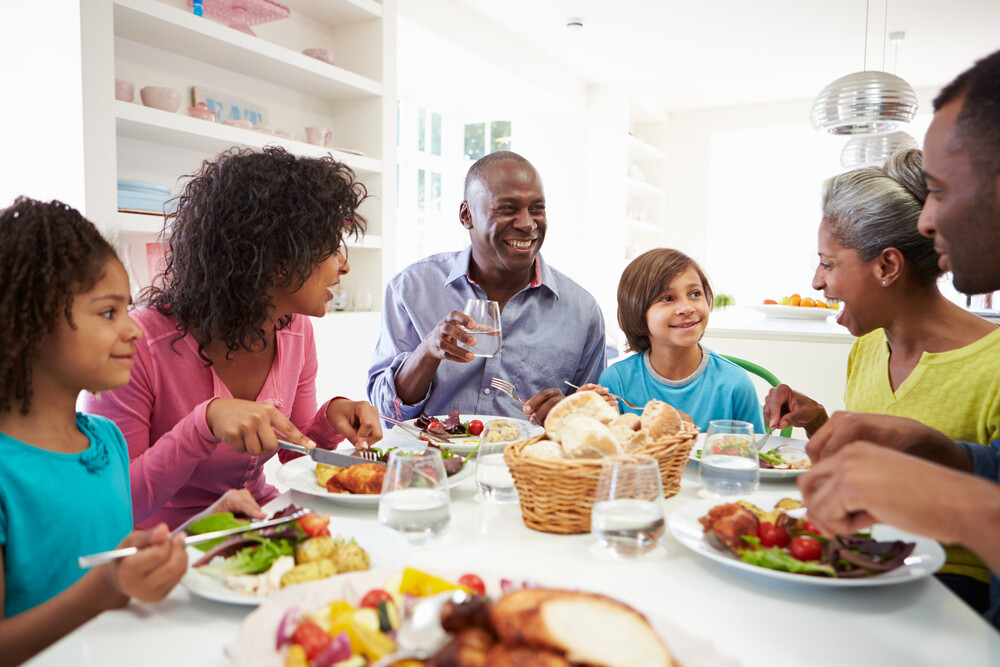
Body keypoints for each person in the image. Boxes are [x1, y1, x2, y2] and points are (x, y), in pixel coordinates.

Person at [798, 48, 1000, 629]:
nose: (928, 221)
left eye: (939, 190)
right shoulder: (866, 348)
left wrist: (947, 489)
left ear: (887, 267)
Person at [85, 147, 383, 531]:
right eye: (329, 248)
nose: (343, 264)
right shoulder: (137, 345)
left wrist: (329, 420)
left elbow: (295, 454)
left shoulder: (295, 330)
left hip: (257, 522)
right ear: (275, 259)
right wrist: (201, 426)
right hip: (165, 546)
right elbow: (113, 504)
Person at [0, 197, 188, 665]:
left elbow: (114, 560)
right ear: (32, 321)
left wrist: (216, 522)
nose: (135, 332)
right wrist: (103, 590)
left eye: (128, 310)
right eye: (108, 314)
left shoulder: (107, 440)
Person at [764, 149, 1000, 444]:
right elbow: (866, 465)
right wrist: (817, 420)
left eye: (828, 263)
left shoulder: (994, 368)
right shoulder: (869, 345)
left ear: (887, 267)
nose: (816, 282)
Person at [367, 151, 608, 426]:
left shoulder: (582, 311)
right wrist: (428, 351)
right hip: (428, 464)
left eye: (537, 209)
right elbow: (384, 412)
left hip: (525, 466)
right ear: (466, 215)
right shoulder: (411, 289)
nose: (527, 224)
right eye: (507, 209)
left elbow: (595, 423)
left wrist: (569, 414)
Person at [599, 248, 764, 432]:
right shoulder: (616, 381)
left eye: (694, 294)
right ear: (636, 311)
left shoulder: (735, 384)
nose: (686, 308)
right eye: (667, 298)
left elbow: (756, 457)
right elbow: (610, 457)